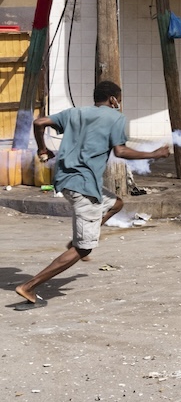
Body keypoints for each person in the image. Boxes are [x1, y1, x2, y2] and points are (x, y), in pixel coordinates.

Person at [14, 81, 170, 309]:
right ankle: (29, 286)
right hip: (83, 186)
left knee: (115, 204)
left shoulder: (74, 113)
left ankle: (80, 238)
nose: (119, 103)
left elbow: (39, 123)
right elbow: (121, 151)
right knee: (83, 248)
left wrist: (42, 148)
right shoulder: (116, 118)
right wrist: (154, 154)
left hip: (67, 180)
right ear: (113, 99)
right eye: (119, 99)